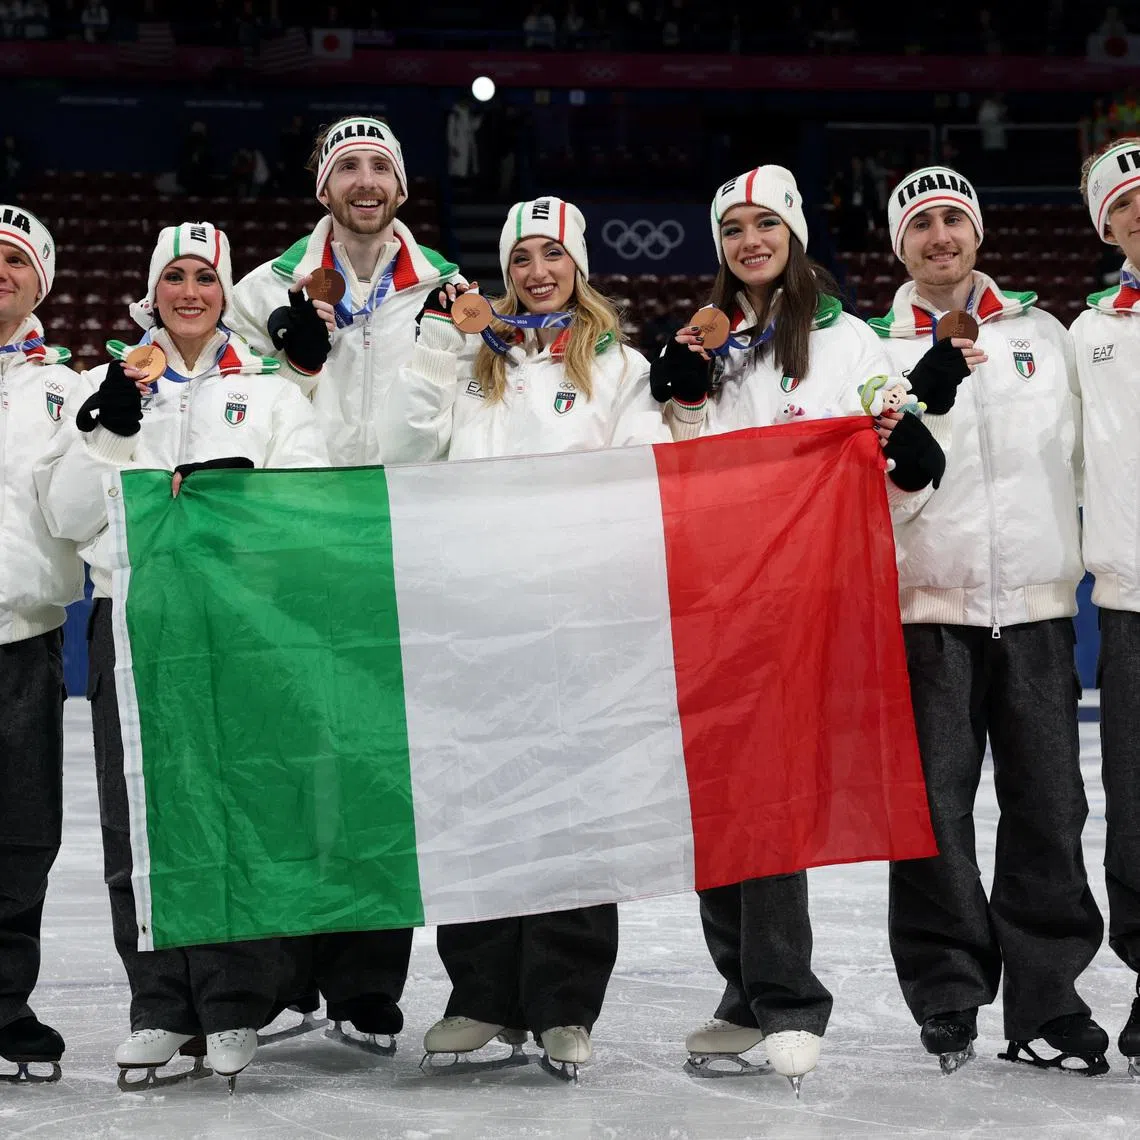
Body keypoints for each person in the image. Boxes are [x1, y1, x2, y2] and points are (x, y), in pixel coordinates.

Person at [647, 165, 946, 1093]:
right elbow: (681, 466)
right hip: (714, 602)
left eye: (764, 223)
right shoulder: (706, 333)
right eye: (732, 229)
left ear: (795, 231)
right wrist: (684, 394)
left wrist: (908, 464)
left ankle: (788, 999)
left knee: (772, 801)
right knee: (716, 804)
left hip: (809, 599)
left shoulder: (851, 340)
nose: (749, 241)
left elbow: (895, 472)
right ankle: (741, 989)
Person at [36, 222, 329, 1090]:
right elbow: (68, 516)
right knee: (140, 822)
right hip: (133, 622)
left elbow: (306, 508)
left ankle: (235, 1005)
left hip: (238, 623)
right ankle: (161, 1006)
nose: (191, 291)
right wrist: (112, 437)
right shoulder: (106, 380)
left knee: (240, 815)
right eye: (175, 277)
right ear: (152, 290)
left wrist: (236, 506)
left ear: (224, 288)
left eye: (206, 276)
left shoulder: (273, 392)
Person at [385, 197, 669, 1074]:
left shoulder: (619, 366)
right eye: (520, 260)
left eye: (551, 255)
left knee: (574, 816)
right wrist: (436, 351)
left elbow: (645, 476)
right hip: (476, 622)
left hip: (579, 623)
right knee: (475, 806)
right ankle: (480, 995)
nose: (536, 272)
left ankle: (563, 1003)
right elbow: (406, 451)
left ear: (577, 265)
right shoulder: (475, 361)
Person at [228, 115, 463, 1049]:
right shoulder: (261, 288)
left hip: (401, 555)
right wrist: (286, 362)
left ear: (400, 188)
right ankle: (286, 977)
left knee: (379, 776)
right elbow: (226, 394)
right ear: (322, 188)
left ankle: (368, 982)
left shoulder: (446, 291)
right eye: (347, 169)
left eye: (379, 168)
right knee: (290, 771)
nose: (365, 183)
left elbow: (457, 419)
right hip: (292, 557)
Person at [873, 165, 1106, 1075]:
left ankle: (1048, 999)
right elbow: (872, 493)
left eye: (952, 220)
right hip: (929, 606)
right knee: (932, 811)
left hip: (1043, 608)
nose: (940, 237)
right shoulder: (873, 347)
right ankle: (947, 995)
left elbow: (1093, 461)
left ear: (977, 233)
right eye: (921, 224)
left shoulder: (1045, 334)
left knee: (1050, 806)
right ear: (900, 245)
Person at [0, 206, 84, 1083]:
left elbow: (77, 517)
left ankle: (3, 1004)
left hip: (25, 638)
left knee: (22, 837)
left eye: (17, 260)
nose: (2, 270)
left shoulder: (67, 387)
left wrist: (107, 432)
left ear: (43, 280)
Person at [1072, 136, 1140, 1076]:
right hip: (1128, 604)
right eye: (1124, 203)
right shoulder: (1085, 334)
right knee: (1135, 817)